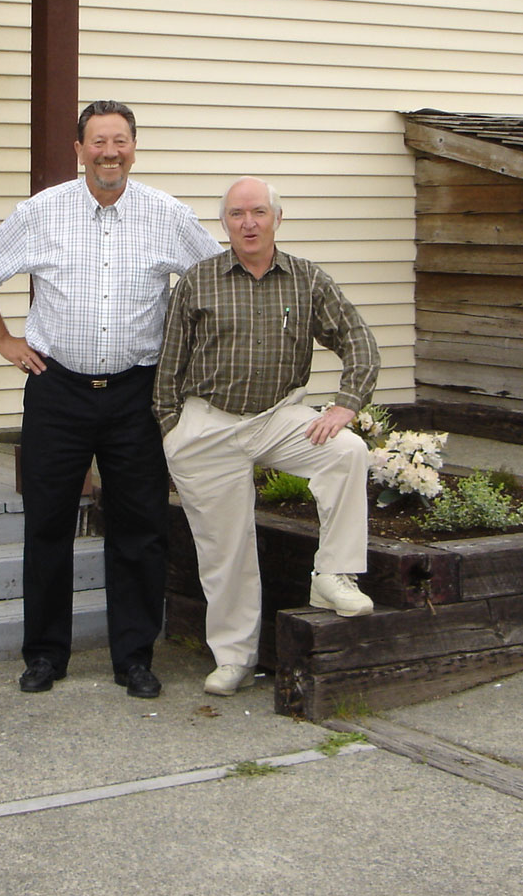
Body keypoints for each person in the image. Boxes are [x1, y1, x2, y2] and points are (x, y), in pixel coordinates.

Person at [0, 101, 220, 698]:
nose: (110, 152)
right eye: (98, 142)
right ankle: (46, 656)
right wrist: (3, 339)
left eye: (120, 141)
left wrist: (189, 368)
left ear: (134, 148)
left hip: (137, 394)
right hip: (58, 392)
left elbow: (214, 285)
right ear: (78, 151)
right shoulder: (42, 212)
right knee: (47, 525)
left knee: (140, 528)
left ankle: (134, 658)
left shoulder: (167, 215)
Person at [153, 176, 380, 697]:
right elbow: (169, 367)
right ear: (225, 223)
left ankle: (334, 576)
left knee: (346, 451)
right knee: (225, 550)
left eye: (258, 212)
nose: (248, 222)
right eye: (237, 214)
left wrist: (347, 403)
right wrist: (172, 430)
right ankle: (234, 658)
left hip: (278, 416)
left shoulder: (307, 281)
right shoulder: (199, 281)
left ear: (278, 217)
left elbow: (358, 339)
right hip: (207, 423)